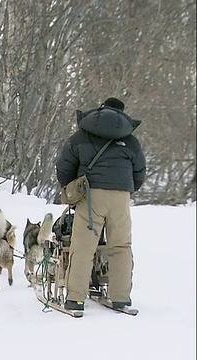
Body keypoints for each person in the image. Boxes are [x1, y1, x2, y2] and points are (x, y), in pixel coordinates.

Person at [56, 97, 146, 311]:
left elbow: (64, 166)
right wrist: (125, 189)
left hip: (90, 195)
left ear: (100, 111)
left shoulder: (81, 136)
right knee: (121, 246)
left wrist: (71, 187)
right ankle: (121, 298)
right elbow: (140, 173)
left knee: (83, 248)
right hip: (120, 196)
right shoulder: (130, 141)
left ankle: (76, 300)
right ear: (122, 115)